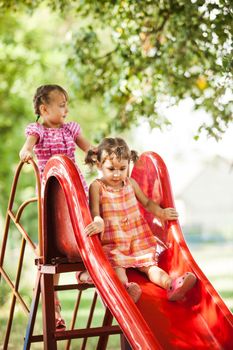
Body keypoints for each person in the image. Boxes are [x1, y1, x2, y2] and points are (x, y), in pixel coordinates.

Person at [80, 137, 197, 303]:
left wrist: (161, 213)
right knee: (118, 270)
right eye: (111, 168)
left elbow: (148, 203)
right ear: (99, 165)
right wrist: (98, 221)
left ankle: (172, 285)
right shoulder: (97, 186)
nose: (116, 173)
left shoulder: (130, 183)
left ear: (128, 165)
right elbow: (94, 211)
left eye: (122, 168)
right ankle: (126, 290)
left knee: (150, 268)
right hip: (115, 240)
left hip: (137, 238)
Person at [19, 84, 94, 330]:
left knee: (84, 230)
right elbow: (28, 146)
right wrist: (26, 152)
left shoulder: (70, 129)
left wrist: (101, 155)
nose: (66, 109)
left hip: (74, 191)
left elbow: (89, 149)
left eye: (66, 105)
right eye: (61, 105)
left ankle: (84, 270)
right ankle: (54, 305)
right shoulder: (37, 130)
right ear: (44, 108)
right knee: (51, 249)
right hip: (53, 193)